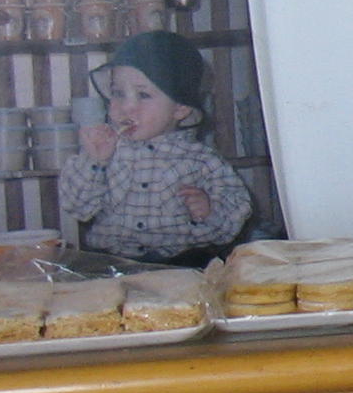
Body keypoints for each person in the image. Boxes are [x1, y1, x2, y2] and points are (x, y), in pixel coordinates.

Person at [58, 30, 254, 266]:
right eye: (118, 93)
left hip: (181, 263)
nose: (127, 107)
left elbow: (236, 208)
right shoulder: (107, 151)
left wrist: (210, 210)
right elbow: (78, 207)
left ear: (180, 109)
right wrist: (96, 162)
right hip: (112, 262)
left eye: (143, 95)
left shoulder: (202, 160)